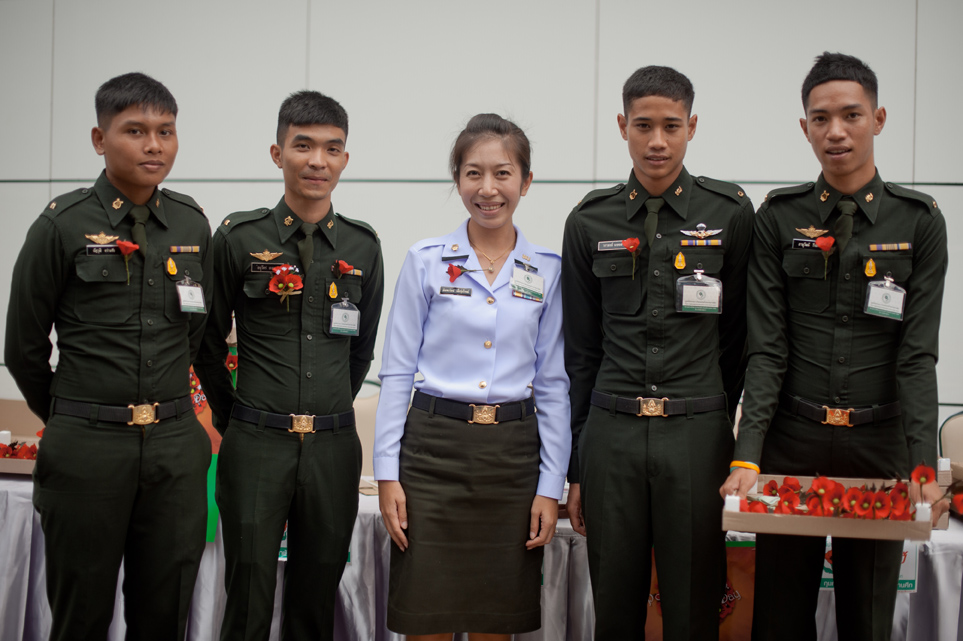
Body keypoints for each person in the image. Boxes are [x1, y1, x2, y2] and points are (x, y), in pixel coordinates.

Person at [720, 52, 949, 641]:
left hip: (879, 446)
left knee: (867, 620)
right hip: (792, 443)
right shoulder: (779, 217)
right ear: (805, 128)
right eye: (820, 119)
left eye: (851, 115)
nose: (836, 131)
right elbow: (766, 349)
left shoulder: (919, 221)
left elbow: (917, 356)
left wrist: (924, 464)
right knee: (778, 618)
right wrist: (748, 455)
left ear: (878, 118)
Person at [4, 72, 213, 640]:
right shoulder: (61, 224)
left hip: (175, 448)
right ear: (100, 139)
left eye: (166, 131)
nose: (154, 145)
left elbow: (195, 334)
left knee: (165, 614)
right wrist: (75, 415)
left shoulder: (192, 223)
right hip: (87, 448)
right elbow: (23, 348)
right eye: (135, 131)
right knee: (82, 615)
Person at [562, 66, 753, 639]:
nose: (657, 141)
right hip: (611, 436)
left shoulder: (730, 212)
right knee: (615, 609)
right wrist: (578, 466)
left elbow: (739, 339)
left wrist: (711, 417)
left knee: (693, 609)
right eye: (643, 125)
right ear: (622, 126)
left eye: (671, 126)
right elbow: (581, 352)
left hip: (696, 437)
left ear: (692, 126)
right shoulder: (588, 219)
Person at [193, 90, 384, 640]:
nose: (317, 160)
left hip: (333, 448)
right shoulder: (238, 237)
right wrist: (236, 418)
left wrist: (329, 410)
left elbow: (361, 348)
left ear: (345, 158)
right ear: (278, 154)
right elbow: (207, 342)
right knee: (247, 599)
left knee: (315, 603)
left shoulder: (363, 245)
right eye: (303, 145)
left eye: (332, 148)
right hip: (256, 443)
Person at [374, 113, 570, 640]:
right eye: (473, 173)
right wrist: (387, 473)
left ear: (526, 181)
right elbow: (397, 372)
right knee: (426, 620)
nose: (488, 189)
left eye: (502, 173)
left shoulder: (547, 269)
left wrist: (550, 484)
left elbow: (554, 384)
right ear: (457, 179)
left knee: (494, 622)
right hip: (431, 456)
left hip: (512, 460)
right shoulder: (425, 261)